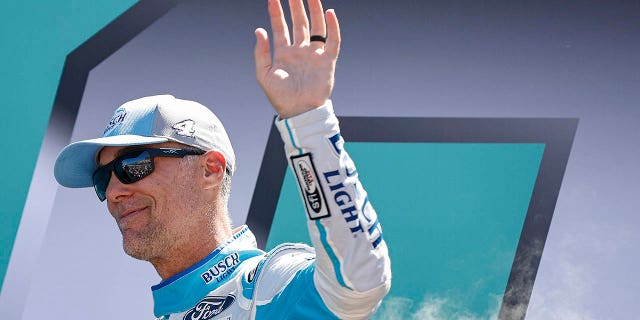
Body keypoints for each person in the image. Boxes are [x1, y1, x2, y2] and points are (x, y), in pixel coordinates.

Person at [54, 0, 391, 319]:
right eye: (103, 178)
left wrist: (308, 120)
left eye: (132, 166)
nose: (113, 192)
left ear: (210, 169)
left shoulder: (266, 288)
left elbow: (358, 281)